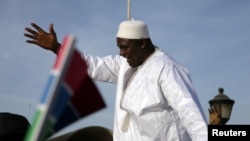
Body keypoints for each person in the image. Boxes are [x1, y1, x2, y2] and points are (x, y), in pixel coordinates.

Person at [24, 20, 208, 141]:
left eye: (125, 47)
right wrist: (57, 48)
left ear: (142, 43)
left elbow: (192, 117)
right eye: (119, 48)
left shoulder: (168, 70)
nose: (121, 53)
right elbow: (92, 66)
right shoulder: (125, 63)